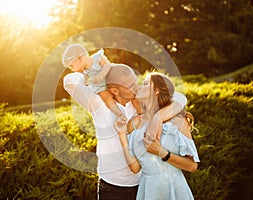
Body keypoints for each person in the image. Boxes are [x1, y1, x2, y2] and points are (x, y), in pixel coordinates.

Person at [63, 63, 197, 200]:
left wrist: (158, 117)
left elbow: (178, 97)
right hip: (112, 187)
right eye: (131, 84)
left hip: (143, 184)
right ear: (115, 89)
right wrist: (99, 74)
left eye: (137, 82)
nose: (136, 87)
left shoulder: (139, 105)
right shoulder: (98, 103)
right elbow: (69, 81)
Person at [117, 72, 200, 200]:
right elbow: (135, 168)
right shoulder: (133, 123)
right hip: (148, 190)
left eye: (145, 83)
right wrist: (122, 135)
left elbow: (192, 166)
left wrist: (163, 153)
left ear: (156, 91)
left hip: (175, 189)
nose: (140, 86)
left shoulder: (177, 120)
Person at [62, 43, 141, 122]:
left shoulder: (97, 58)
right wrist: (87, 83)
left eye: (72, 66)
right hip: (101, 86)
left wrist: (101, 75)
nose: (72, 69)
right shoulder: (85, 72)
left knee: (132, 94)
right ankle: (120, 114)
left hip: (111, 78)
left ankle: (140, 111)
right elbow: (86, 80)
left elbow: (107, 65)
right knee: (107, 98)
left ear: (80, 58)